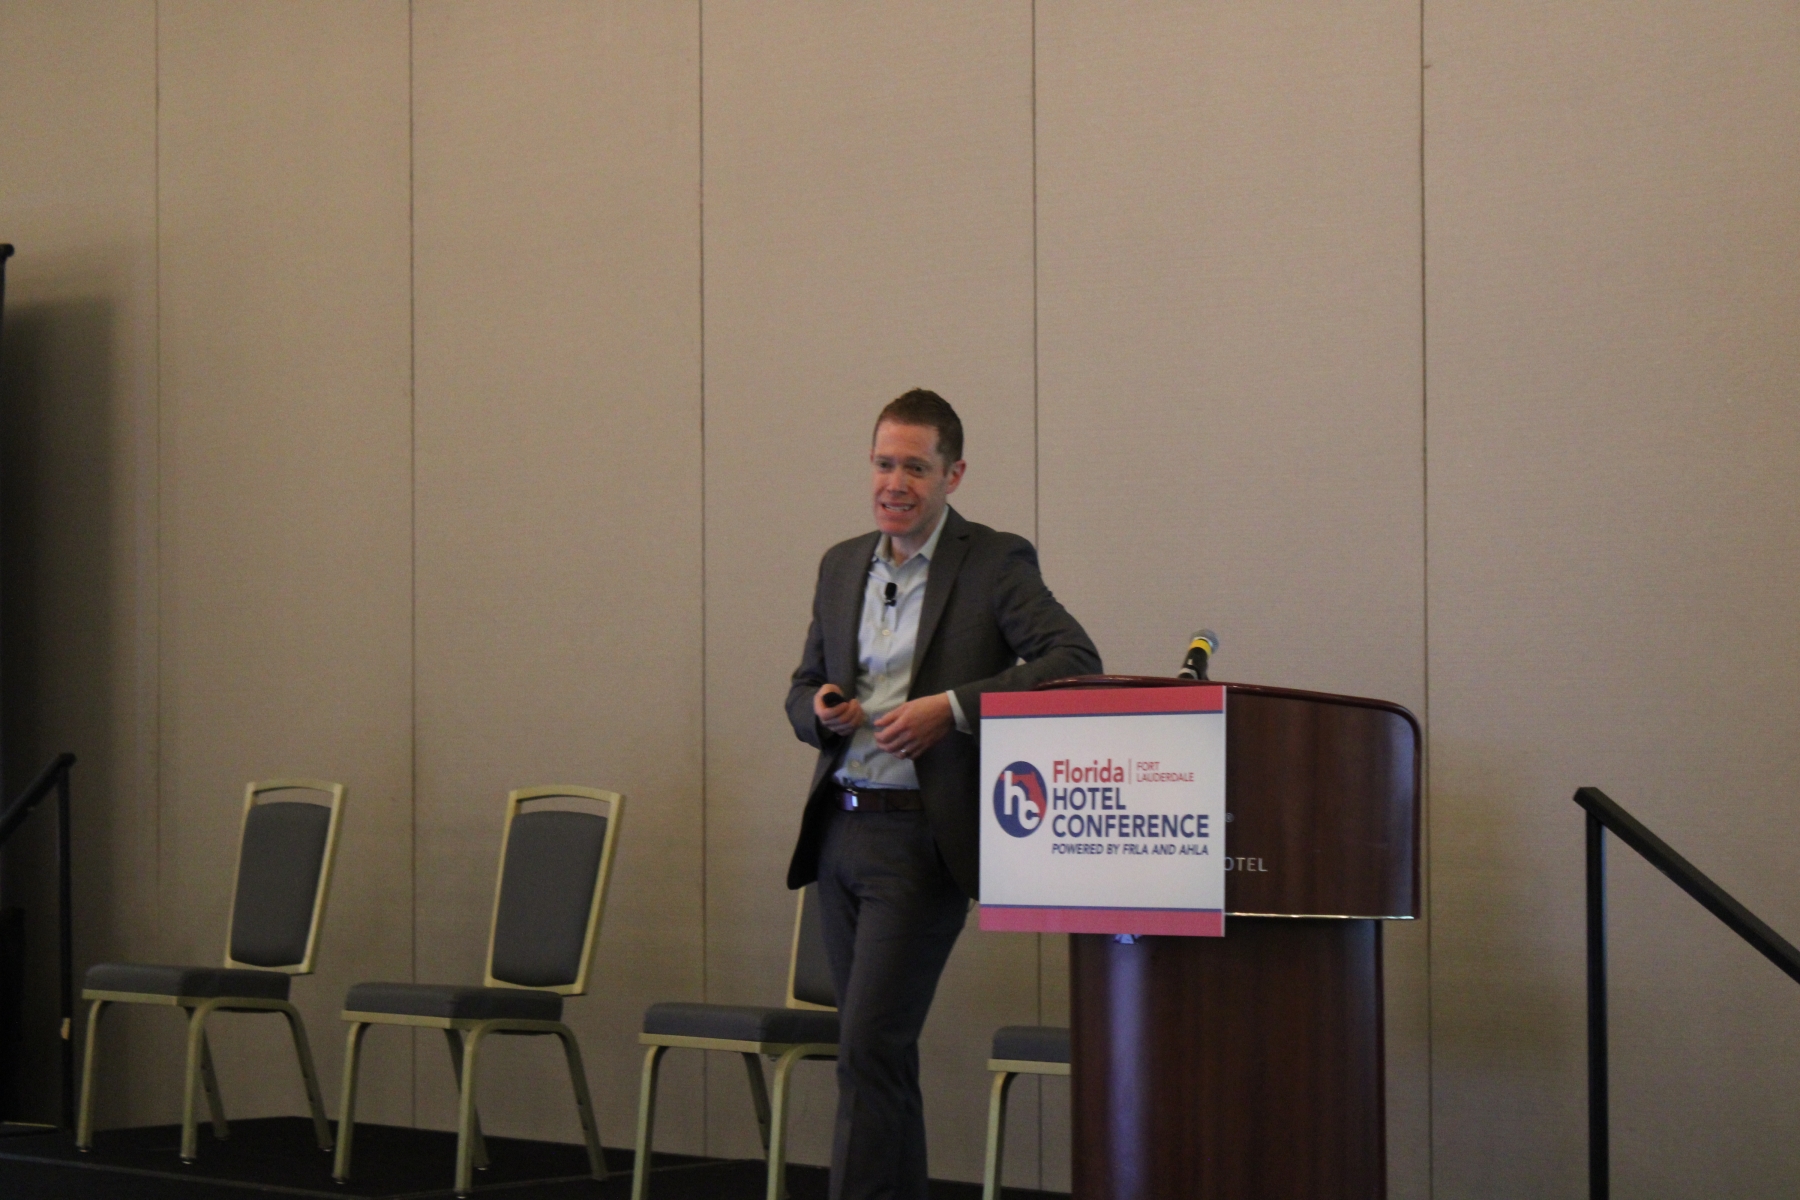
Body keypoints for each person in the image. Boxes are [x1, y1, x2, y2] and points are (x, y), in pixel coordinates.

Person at [784, 388, 1101, 1200]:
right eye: (883, 464)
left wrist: (952, 709)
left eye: (915, 468)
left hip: (921, 841)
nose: (894, 483)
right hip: (841, 832)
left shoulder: (993, 561)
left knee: (867, 1049)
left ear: (953, 475)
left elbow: (1073, 661)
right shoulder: (841, 564)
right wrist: (823, 710)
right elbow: (802, 687)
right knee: (879, 1056)